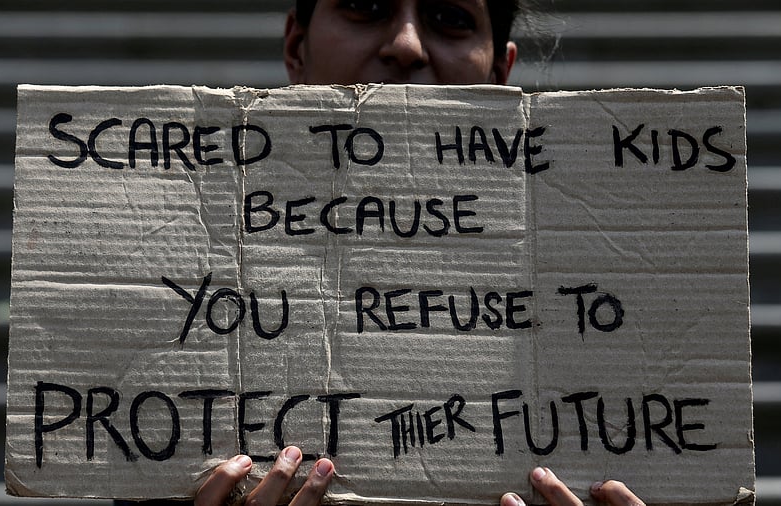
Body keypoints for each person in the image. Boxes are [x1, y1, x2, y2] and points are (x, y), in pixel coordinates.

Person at [190, 2, 648, 505]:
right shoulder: (199, 246)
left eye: (451, 17)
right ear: (297, 47)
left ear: (499, 72)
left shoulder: (617, 393)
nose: (406, 46)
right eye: (364, 6)